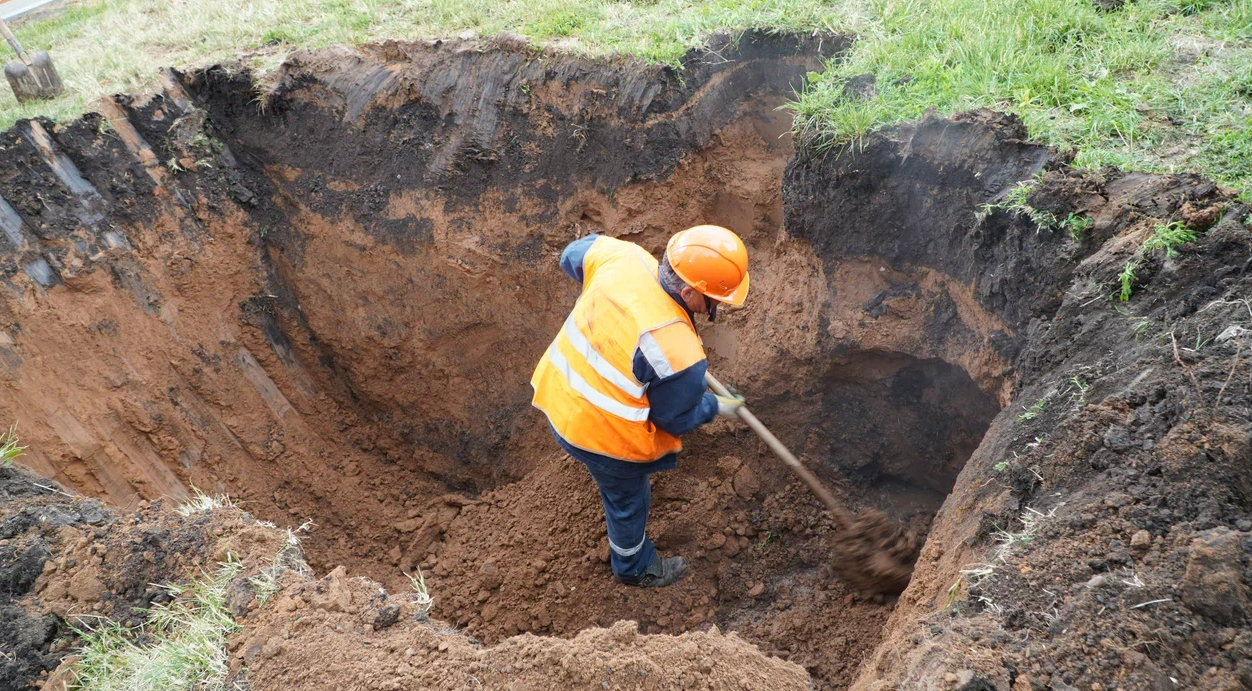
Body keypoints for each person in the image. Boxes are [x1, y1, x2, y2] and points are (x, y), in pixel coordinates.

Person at [530, 225, 750, 588]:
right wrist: (716, 407)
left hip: (557, 389)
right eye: (716, 300)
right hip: (598, 434)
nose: (720, 306)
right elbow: (674, 419)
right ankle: (634, 568)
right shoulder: (678, 351)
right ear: (689, 293)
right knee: (629, 499)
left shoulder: (623, 258)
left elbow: (573, 254)